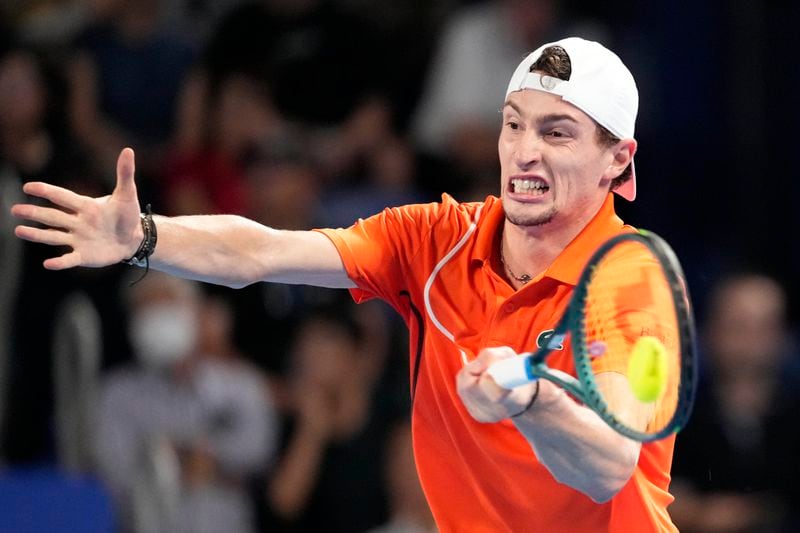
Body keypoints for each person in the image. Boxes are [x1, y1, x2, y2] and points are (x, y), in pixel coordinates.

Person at [11, 37, 676, 531]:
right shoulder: (437, 238)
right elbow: (264, 251)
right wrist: (147, 238)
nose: (525, 151)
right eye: (513, 124)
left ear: (618, 161)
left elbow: (610, 460)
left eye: (556, 132)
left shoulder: (629, 281)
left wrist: (533, 399)